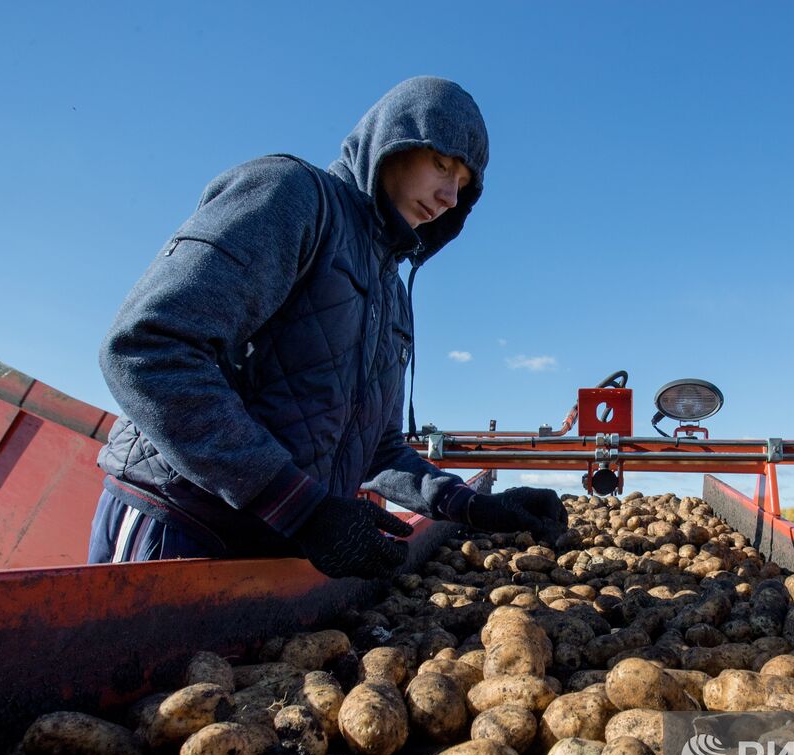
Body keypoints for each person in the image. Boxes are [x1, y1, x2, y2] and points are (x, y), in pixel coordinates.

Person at [89, 77, 566, 579]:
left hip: (282, 549)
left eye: (463, 186)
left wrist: (471, 506)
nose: (449, 195)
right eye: (442, 165)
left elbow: (379, 451)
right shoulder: (291, 196)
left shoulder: (391, 293)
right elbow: (146, 348)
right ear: (391, 141)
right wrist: (301, 508)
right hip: (184, 523)